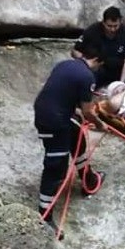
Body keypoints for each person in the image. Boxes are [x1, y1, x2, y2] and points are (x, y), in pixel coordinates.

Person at [34, 42, 108, 232]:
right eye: (100, 65)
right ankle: (44, 213)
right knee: (55, 166)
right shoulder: (87, 76)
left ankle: (88, 180)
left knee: (78, 140)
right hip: (54, 121)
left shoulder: (65, 64)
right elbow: (87, 111)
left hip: (52, 113)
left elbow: (60, 93)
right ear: (97, 60)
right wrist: (100, 125)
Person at [72, 6, 125, 88]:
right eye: (109, 26)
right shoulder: (92, 30)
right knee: (80, 81)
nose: (112, 29)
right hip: (98, 68)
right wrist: (86, 62)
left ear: (120, 21)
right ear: (103, 22)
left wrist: (121, 83)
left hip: (120, 69)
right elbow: (75, 51)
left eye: (115, 26)